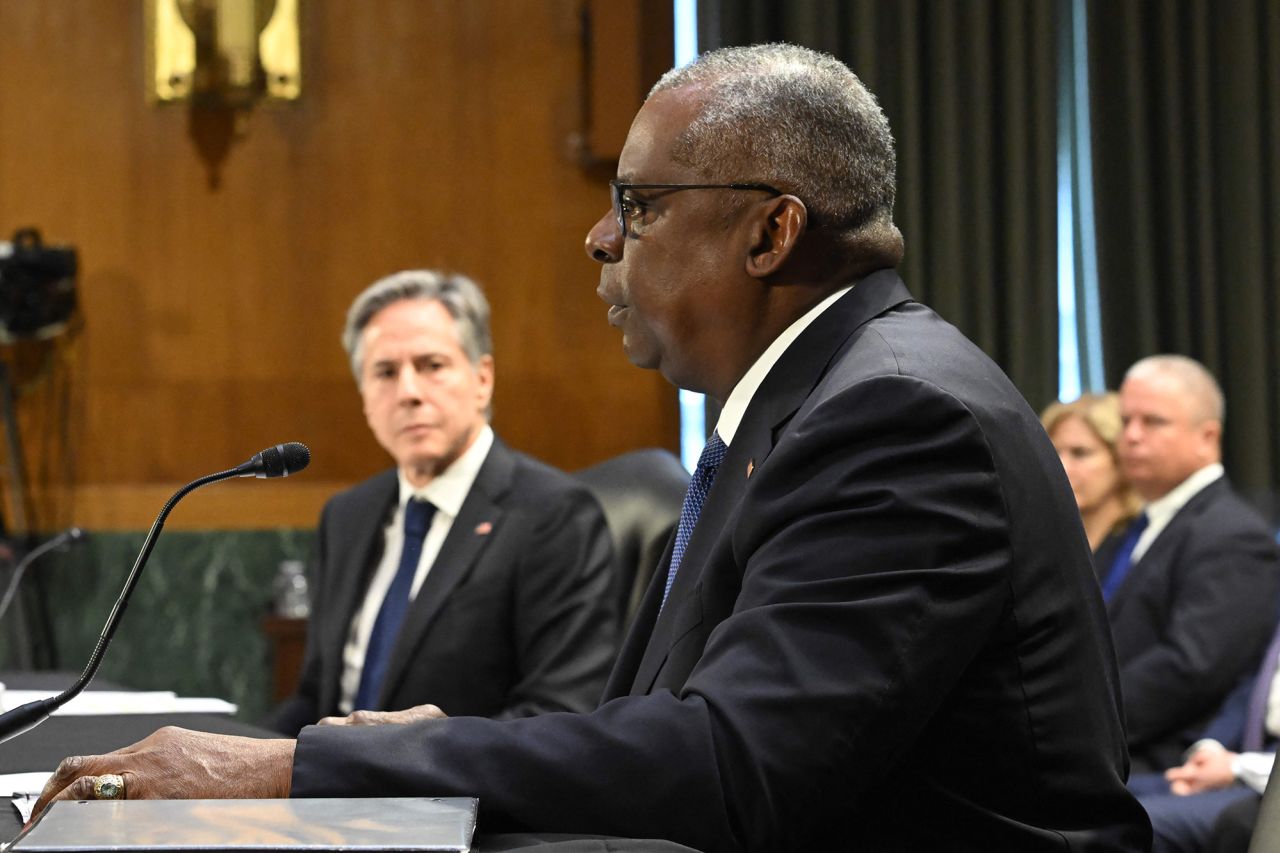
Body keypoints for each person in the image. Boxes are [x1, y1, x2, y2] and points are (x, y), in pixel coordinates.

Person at [33, 44, 1151, 852]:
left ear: (769, 231)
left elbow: (731, 765)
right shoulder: (800, 405)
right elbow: (685, 731)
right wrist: (437, 747)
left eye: (638, 202)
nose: (598, 235)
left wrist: (293, 765)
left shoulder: (898, 419)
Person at [267, 270, 620, 734]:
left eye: (431, 365)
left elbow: (558, 713)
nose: (409, 393)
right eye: (386, 372)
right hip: (333, 796)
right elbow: (317, 699)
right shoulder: (347, 515)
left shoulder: (554, 516)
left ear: (482, 379)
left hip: (463, 800)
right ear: (365, 397)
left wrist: (384, 767)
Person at [1102, 354, 1280, 774]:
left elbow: (1191, 669)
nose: (1131, 436)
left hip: (1163, 760)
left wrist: (1079, 724)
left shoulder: (1234, 535)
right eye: (1126, 420)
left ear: (1207, 436)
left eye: (1153, 422)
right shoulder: (1137, 525)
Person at [1130, 612, 1280, 853]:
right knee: (1103, 793)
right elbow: (1251, 689)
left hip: (1263, 785)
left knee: (1133, 823)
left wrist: (1235, 768)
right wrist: (1210, 747)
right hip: (1233, 758)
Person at [1042, 392, 1142, 552]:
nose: (1062, 467)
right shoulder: (1044, 542)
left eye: (1080, 453)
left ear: (1120, 458)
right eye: (1053, 454)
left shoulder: (1144, 541)